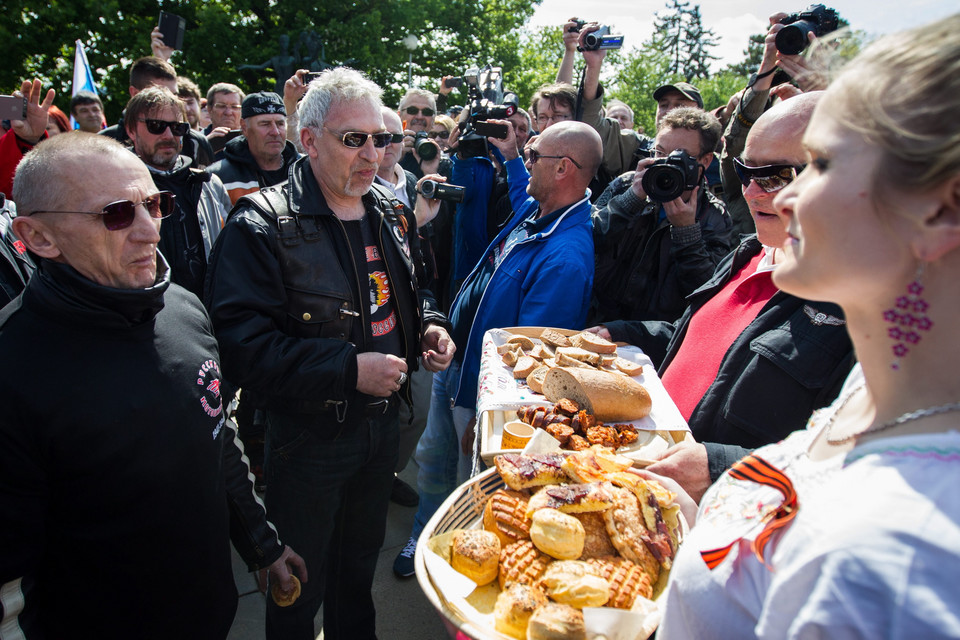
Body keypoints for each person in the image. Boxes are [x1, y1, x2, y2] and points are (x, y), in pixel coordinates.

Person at [655, 15, 960, 638]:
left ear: (939, 208)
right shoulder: (877, 398)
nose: (781, 198)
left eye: (819, 164)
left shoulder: (888, 565)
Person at [0, 132, 304, 639]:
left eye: (154, 205)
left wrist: (262, 545)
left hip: (208, 614)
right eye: (117, 214)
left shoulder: (183, 307)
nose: (150, 232)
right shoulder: (12, 370)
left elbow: (217, 436)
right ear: (40, 237)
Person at [205, 67, 454, 640]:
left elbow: (416, 288)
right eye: (354, 139)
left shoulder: (390, 209)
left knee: (357, 572)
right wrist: (346, 369)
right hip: (309, 440)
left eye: (382, 138)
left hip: (383, 428)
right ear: (310, 139)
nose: (373, 154)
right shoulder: (263, 223)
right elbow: (241, 347)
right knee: (297, 588)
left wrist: (430, 329)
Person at [591, 93, 854, 501]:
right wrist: (619, 332)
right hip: (645, 479)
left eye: (775, 175)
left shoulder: (876, 311)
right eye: (744, 171)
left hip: (728, 531)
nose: (751, 192)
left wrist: (719, 469)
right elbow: (694, 335)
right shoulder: (748, 252)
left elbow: (851, 471)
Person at [394, 120, 602, 578]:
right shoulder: (538, 209)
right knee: (432, 460)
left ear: (564, 168)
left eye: (533, 157)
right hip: (461, 367)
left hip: (484, 393)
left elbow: (529, 357)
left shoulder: (566, 256)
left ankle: (463, 563)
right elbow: (498, 197)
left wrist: (490, 416)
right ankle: (423, 538)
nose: (523, 165)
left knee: (475, 487)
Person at [590, 106, 733, 324]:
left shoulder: (714, 215)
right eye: (659, 153)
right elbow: (588, 239)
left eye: (679, 157)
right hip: (597, 319)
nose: (664, 163)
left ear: (705, 161)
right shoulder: (627, 184)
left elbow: (708, 293)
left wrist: (687, 233)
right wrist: (631, 199)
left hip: (653, 336)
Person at [124, 87, 229, 299]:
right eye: (156, 126)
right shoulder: (117, 189)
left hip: (210, 310)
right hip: (149, 309)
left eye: (178, 127)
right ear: (131, 130)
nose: (168, 135)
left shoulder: (208, 184)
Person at [100, 56, 215, 168]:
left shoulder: (195, 142)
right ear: (134, 93)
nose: (169, 100)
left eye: (174, 95)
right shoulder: (103, 144)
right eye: (159, 94)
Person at [208, 91, 300, 205]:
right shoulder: (219, 177)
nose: (275, 132)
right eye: (265, 124)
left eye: (280, 124)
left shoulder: (306, 170)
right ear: (244, 128)